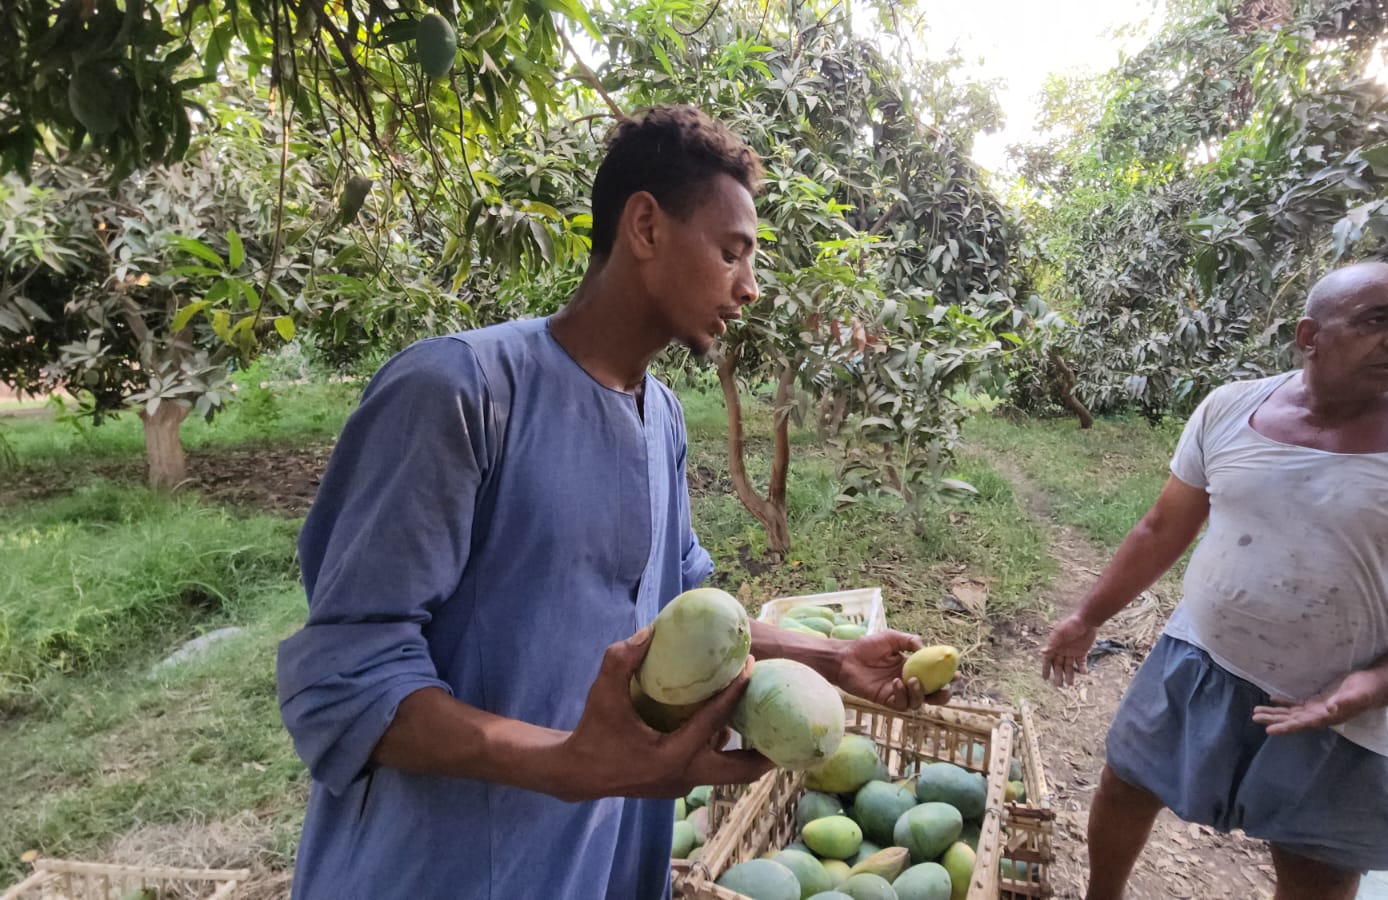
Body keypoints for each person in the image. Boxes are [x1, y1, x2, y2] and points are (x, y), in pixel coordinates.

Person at [276, 105, 945, 900]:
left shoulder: (658, 416)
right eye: (733, 252)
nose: (752, 287)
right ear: (645, 226)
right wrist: (565, 764)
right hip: (444, 865)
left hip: (600, 861)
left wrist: (829, 658)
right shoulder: (458, 393)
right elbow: (350, 679)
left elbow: (682, 614)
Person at [1041, 261, 1388, 900]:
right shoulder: (1231, 408)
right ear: (1310, 337)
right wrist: (1087, 618)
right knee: (1127, 786)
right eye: (1376, 320)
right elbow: (1162, 528)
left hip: (1343, 701)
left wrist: (1367, 687)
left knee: (1318, 867)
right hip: (1198, 656)